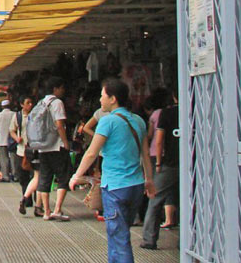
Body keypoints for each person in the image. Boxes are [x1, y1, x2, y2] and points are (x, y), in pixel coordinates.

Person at [70, 78, 156, 263]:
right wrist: (149, 180)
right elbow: (146, 155)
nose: (100, 100)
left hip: (115, 187)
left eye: (103, 96)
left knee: (119, 237)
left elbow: (92, 153)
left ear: (113, 99)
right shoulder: (139, 121)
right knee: (119, 233)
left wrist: (77, 176)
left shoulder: (107, 121)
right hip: (136, 186)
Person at [140, 91, 179, 250]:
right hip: (191, 164)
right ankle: (190, 240)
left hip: (169, 163)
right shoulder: (193, 110)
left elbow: (159, 139)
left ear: (174, 96)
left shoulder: (166, 113)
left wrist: (158, 163)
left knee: (155, 199)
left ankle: (149, 239)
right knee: (191, 201)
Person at [34, 76, 72, 221]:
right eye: (61, 88)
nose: (63, 91)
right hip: (57, 146)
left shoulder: (41, 103)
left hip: (43, 147)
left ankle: (46, 211)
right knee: (63, 176)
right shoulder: (57, 103)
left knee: (45, 177)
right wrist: (65, 142)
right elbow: (59, 125)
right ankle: (57, 209)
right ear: (55, 89)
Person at [10, 96, 36, 214]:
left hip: (34, 149)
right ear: (22, 104)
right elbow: (12, 130)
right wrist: (17, 138)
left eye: (31, 102)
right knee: (23, 176)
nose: (30, 105)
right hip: (21, 150)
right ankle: (27, 198)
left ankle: (35, 198)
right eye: (27, 102)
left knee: (35, 175)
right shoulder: (17, 116)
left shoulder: (35, 115)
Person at [0, 99, 14, 182]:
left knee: (3, 159)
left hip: (2, 140)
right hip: (13, 140)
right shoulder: (14, 114)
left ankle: (5, 176)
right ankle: (15, 175)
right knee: (13, 158)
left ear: (2, 106)